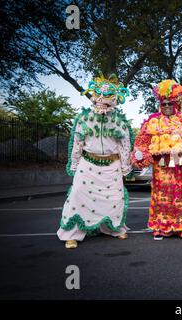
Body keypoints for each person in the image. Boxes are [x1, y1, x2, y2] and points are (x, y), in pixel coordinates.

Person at [57, 72, 133, 249]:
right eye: (98, 96)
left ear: (115, 99)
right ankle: (72, 233)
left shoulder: (119, 121)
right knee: (76, 195)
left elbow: (124, 145)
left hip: (112, 166)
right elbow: (77, 143)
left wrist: (125, 168)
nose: (101, 100)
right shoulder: (84, 118)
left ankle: (114, 228)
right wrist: (74, 164)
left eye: (106, 97)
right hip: (87, 165)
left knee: (115, 198)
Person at [131, 79, 182, 241]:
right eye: (164, 103)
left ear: (177, 103)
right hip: (162, 167)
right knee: (161, 197)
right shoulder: (152, 121)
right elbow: (142, 142)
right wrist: (140, 154)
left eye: (170, 104)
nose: (166, 106)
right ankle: (161, 227)